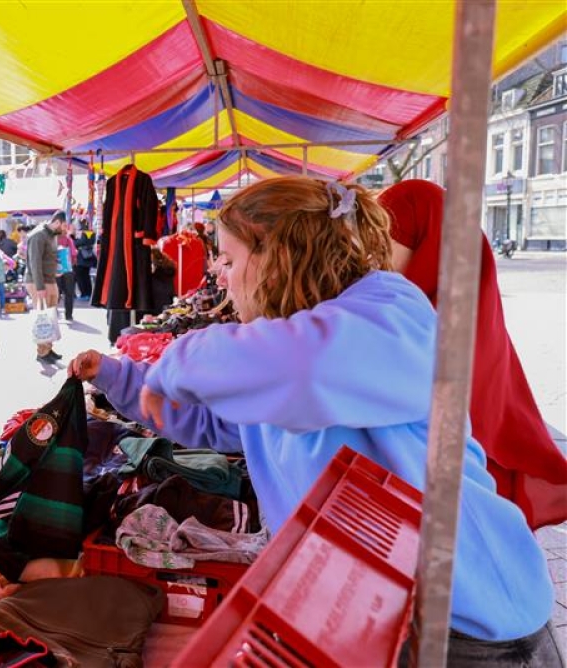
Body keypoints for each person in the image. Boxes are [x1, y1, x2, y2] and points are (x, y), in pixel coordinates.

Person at [69, 176, 558, 665]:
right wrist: (122, 379)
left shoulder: (392, 309)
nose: (218, 272)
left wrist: (178, 364)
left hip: (473, 621)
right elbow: (218, 422)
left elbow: (306, 366)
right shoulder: (286, 346)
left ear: (276, 259)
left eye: (230, 258)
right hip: (392, 611)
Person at [379, 179, 567, 531]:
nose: (377, 258)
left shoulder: (431, 323)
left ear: (428, 239)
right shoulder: (452, 304)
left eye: (388, 241)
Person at [26, 211, 65, 363]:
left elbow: (49, 258)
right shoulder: (39, 235)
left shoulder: (52, 235)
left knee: (50, 316)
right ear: (57, 222)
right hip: (38, 282)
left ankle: (48, 348)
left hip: (49, 280)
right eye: (64, 225)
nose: (65, 229)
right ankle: (42, 353)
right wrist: (40, 287)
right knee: (42, 317)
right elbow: (35, 264)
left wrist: (58, 269)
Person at [56, 226, 77, 321]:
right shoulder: (69, 240)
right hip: (68, 269)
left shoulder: (53, 240)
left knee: (56, 293)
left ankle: (53, 312)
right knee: (69, 293)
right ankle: (68, 315)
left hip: (56, 270)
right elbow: (73, 253)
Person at [73, 222, 97, 300]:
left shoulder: (83, 233)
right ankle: (88, 294)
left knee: (81, 277)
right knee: (86, 277)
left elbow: (78, 243)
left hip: (81, 259)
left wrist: (72, 239)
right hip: (87, 259)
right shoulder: (91, 233)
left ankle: (84, 294)